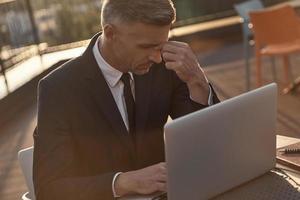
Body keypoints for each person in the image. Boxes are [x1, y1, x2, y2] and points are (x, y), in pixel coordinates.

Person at [33, 0, 219, 199]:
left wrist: (197, 81)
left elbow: (206, 144)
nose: (157, 57)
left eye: (161, 45)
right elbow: (48, 188)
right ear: (111, 33)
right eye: (146, 46)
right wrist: (120, 182)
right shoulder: (59, 89)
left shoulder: (164, 65)